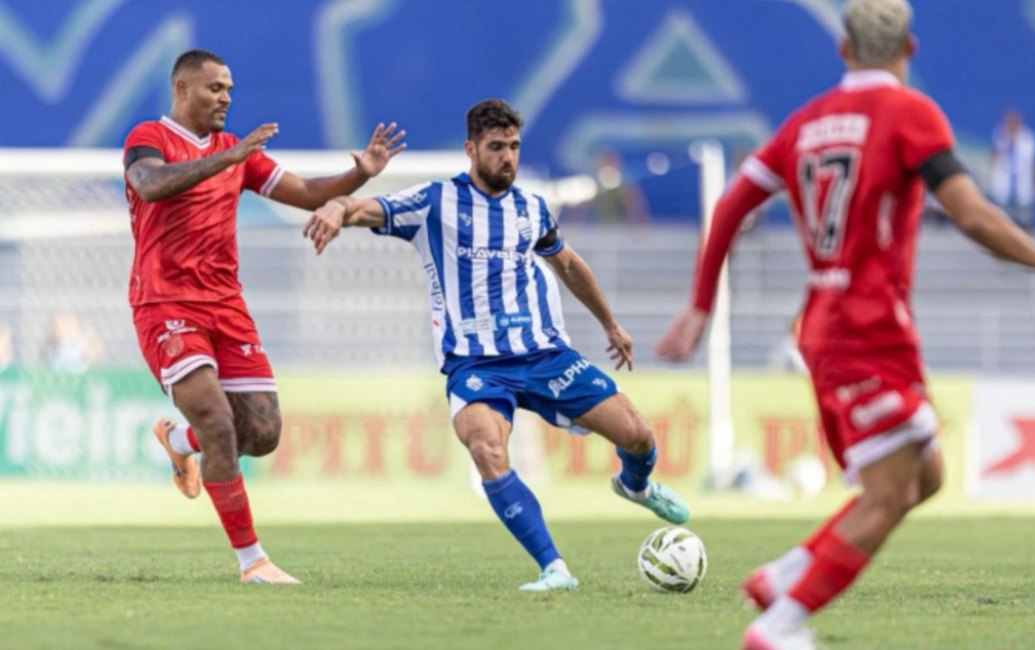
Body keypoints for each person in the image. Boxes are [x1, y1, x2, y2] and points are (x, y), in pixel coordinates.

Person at [653, 1, 1035, 648]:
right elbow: (970, 214)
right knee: (888, 495)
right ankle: (779, 625)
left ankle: (784, 576)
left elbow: (731, 202)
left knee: (926, 475)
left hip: (828, 324)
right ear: (910, 48)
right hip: (867, 329)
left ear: (844, 50)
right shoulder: (911, 114)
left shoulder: (808, 122)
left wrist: (700, 303)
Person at [302, 98, 689, 592]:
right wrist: (336, 206)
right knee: (486, 448)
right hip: (476, 365)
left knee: (637, 435)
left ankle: (635, 486)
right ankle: (554, 568)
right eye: (496, 147)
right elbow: (361, 208)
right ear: (471, 149)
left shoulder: (532, 208)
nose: (508, 157)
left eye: (514, 147)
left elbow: (568, 264)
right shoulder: (436, 202)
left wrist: (611, 325)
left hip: (545, 355)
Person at [123, 49, 405, 584]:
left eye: (229, 89)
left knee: (262, 432)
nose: (226, 97)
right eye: (215, 88)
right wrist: (228, 158)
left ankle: (179, 442)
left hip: (226, 305)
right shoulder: (150, 137)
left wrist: (358, 174)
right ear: (182, 88)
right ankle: (252, 561)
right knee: (217, 422)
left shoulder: (238, 153)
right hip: (166, 304)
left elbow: (308, 193)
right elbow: (151, 184)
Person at [989, 108, 1035, 230]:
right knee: (1003, 224)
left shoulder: (1028, 138)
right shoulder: (999, 137)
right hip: (1003, 190)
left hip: (1023, 188)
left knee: (1025, 223)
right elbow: (994, 159)